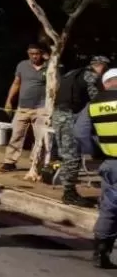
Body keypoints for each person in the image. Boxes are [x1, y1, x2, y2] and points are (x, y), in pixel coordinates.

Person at [73, 68, 117, 268]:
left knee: (109, 209)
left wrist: (95, 152)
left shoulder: (94, 104)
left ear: (106, 83)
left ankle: (101, 253)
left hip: (111, 163)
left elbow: (80, 132)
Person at [55, 55, 109, 207]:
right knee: (72, 157)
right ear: (101, 66)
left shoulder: (72, 73)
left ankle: (68, 191)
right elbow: (97, 100)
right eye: (104, 69)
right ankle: (69, 194)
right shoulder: (91, 75)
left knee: (67, 155)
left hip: (59, 115)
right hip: (69, 117)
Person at [1, 44, 50, 174]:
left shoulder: (49, 66)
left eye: (37, 53)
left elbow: (57, 79)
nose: (34, 56)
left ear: (42, 54)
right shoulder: (22, 65)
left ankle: (36, 164)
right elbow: (16, 83)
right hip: (23, 107)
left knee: (40, 138)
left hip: (41, 108)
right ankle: (9, 162)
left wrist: (49, 59)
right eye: (31, 53)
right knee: (16, 134)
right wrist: (9, 100)